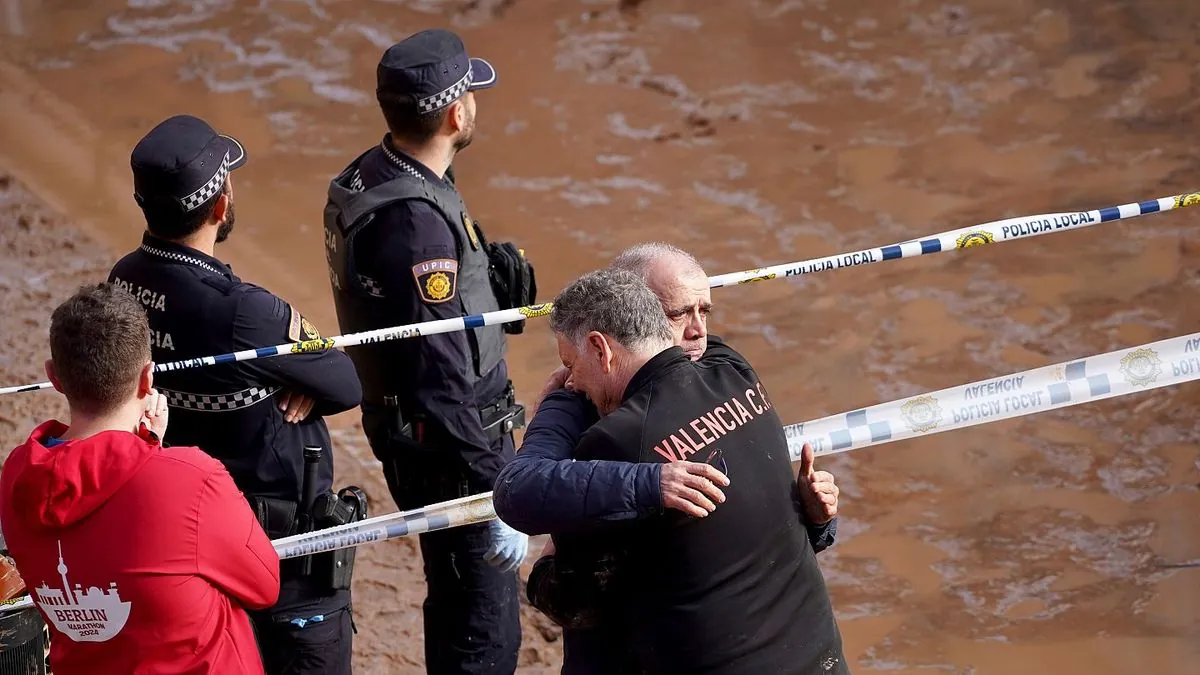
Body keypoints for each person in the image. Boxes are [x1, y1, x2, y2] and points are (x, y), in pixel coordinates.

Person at [494, 244, 841, 673]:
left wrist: (557, 406)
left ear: (601, 348)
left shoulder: (617, 442)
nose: (698, 331)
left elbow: (572, 595)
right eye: (680, 313)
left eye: (570, 365)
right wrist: (819, 523)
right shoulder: (735, 372)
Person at [107, 115, 364, 675]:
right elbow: (345, 382)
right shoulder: (245, 312)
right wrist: (297, 380)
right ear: (220, 205)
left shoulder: (123, 280)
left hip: (179, 529)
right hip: (275, 547)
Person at [321, 28, 536, 675]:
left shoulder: (380, 171)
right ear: (454, 112)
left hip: (423, 437)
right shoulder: (414, 224)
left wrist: (485, 276)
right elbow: (440, 380)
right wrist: (503, 493)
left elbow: (404, 303)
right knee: (483, 630)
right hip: (455, 451)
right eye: (471, 93)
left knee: (458, 604)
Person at [0, 283, 280, 674]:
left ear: (55, 377)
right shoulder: (192, 479)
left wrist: (146, 451)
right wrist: (155, 456)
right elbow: (265, 584)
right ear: (148, 379)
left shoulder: (16, 477)